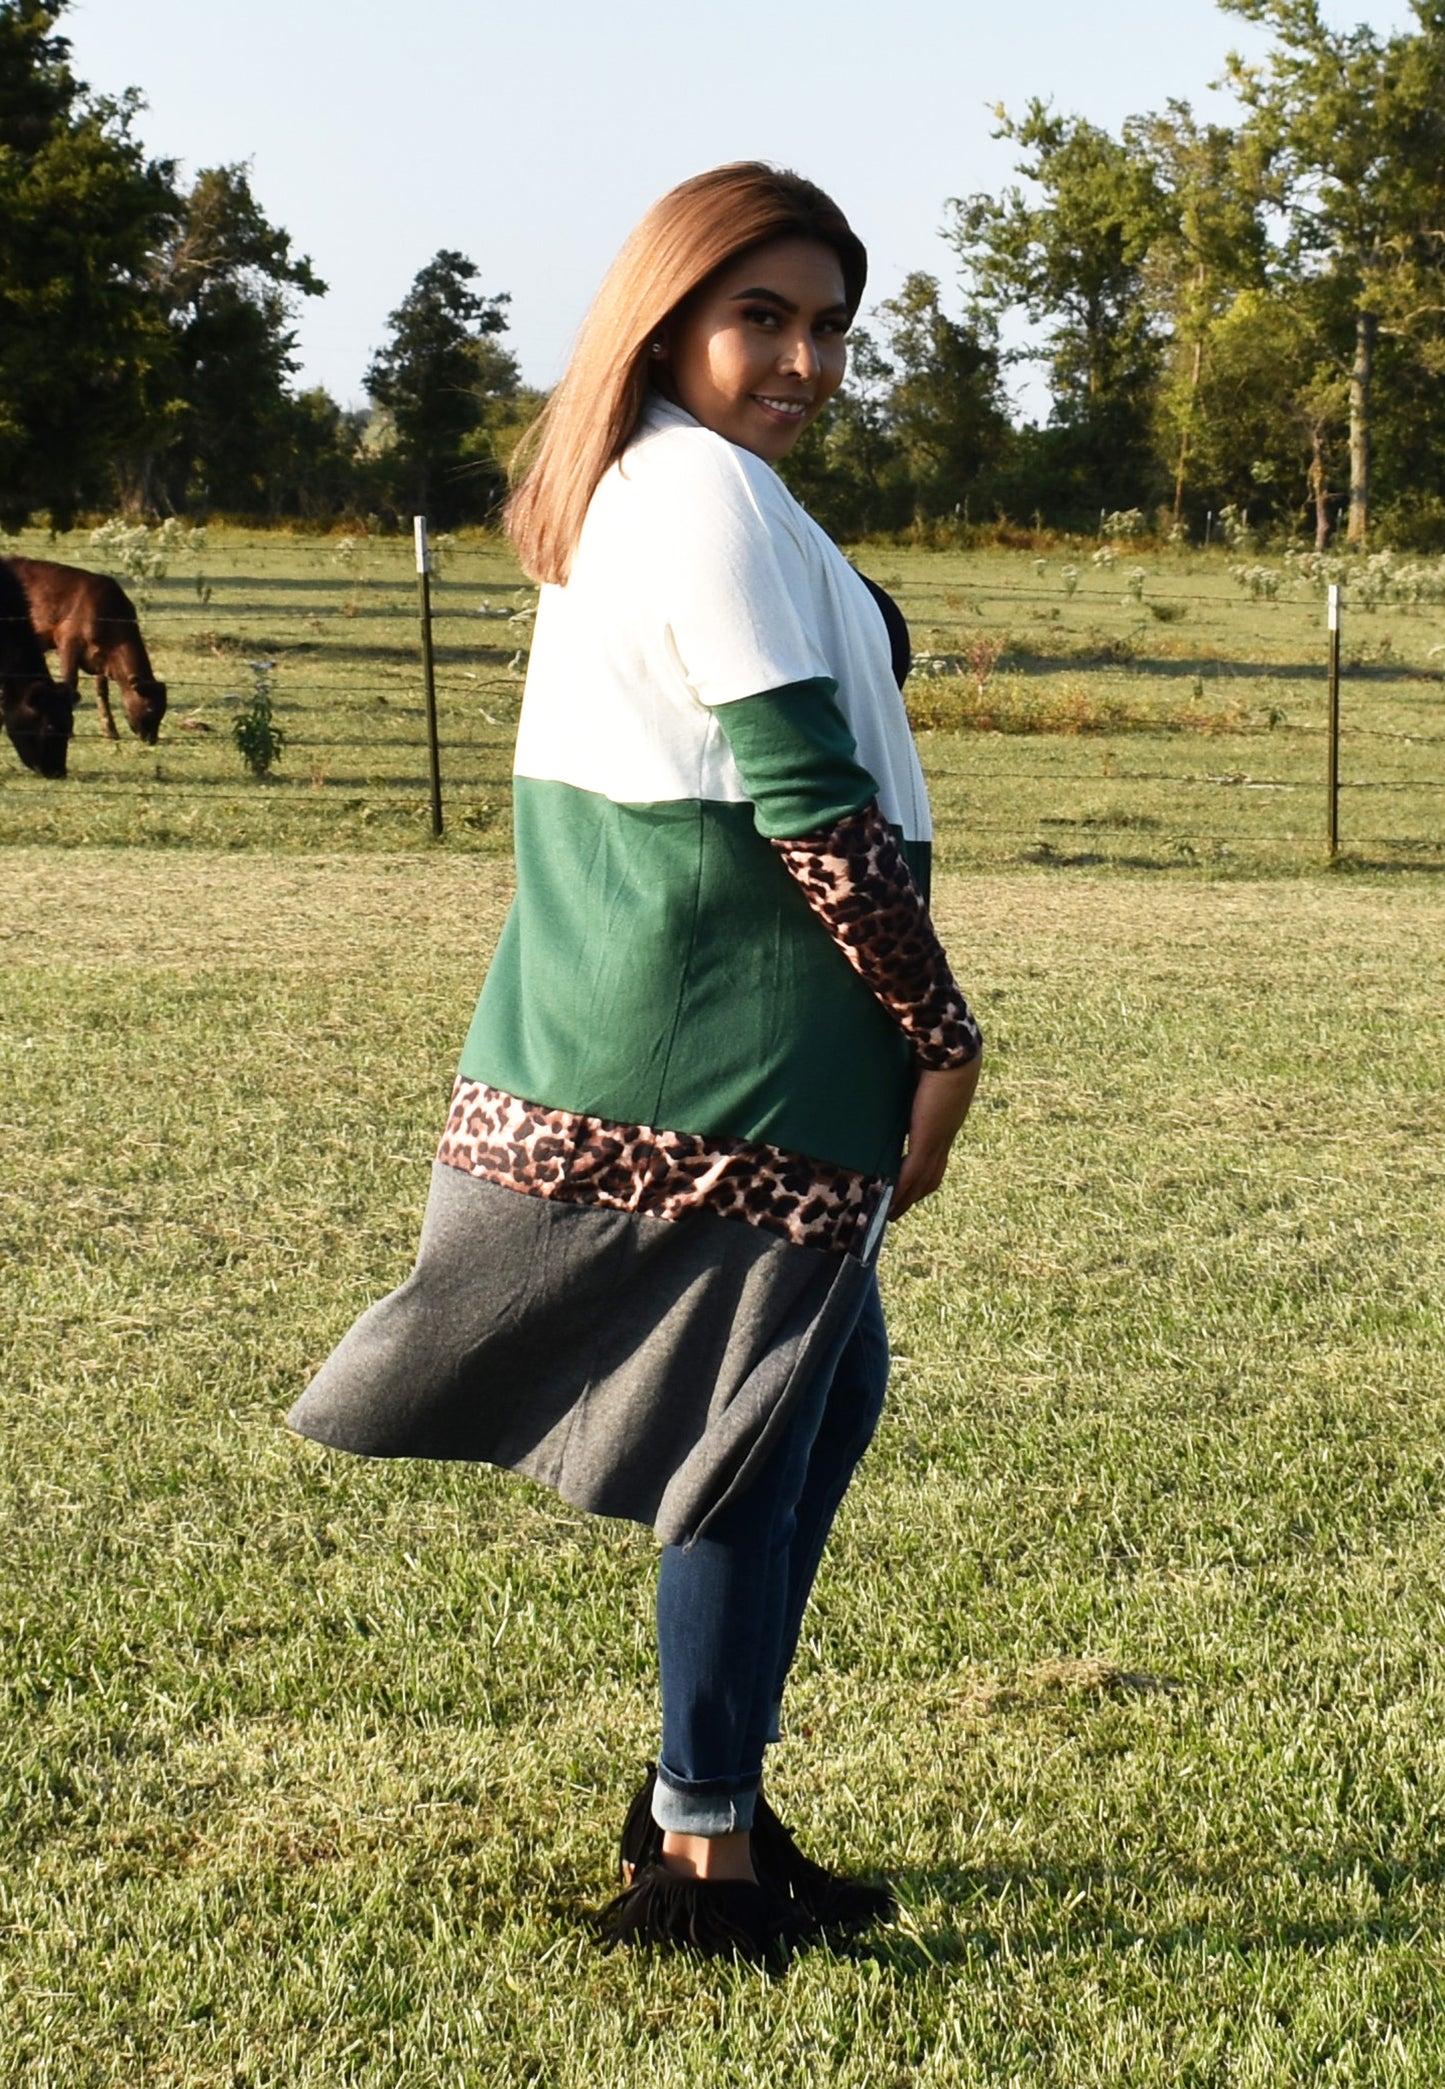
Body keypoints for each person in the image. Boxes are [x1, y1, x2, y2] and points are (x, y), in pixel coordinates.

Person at [288, 162, 982, 1963]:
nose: (806, 356)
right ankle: (699, 1867)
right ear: (668, 316)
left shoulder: (711, 492)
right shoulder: (694, 495)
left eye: (830, 322)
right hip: (732, 1057)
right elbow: (810, 800)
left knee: (814, 1407)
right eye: (762, 313)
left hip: (723, 1042)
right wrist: (943, 1034)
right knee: (754, 1441)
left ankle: (710, 1794)